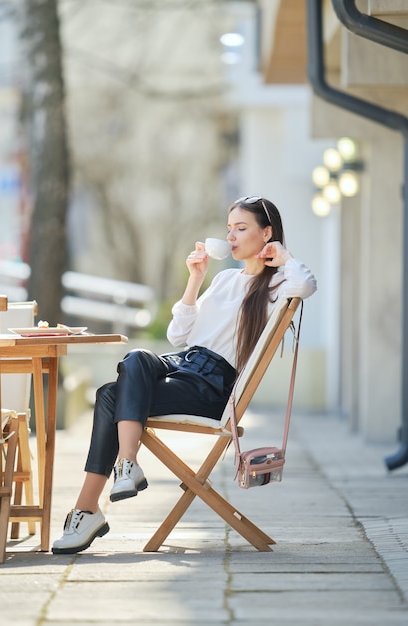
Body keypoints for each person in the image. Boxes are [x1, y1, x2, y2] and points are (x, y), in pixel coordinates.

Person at [52, 196, 317, 554]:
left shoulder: (275, 287)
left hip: (210, 388)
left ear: (266, 233)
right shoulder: (224, 280)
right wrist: (195, 280)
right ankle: (127, 466)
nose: (232, 237)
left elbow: (306, 285)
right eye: (229, 229)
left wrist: (283, 258)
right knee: (137, 358)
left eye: (241, 228)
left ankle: (87, 510)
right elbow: (178, 335)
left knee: (109, 396)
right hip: (183, 363)